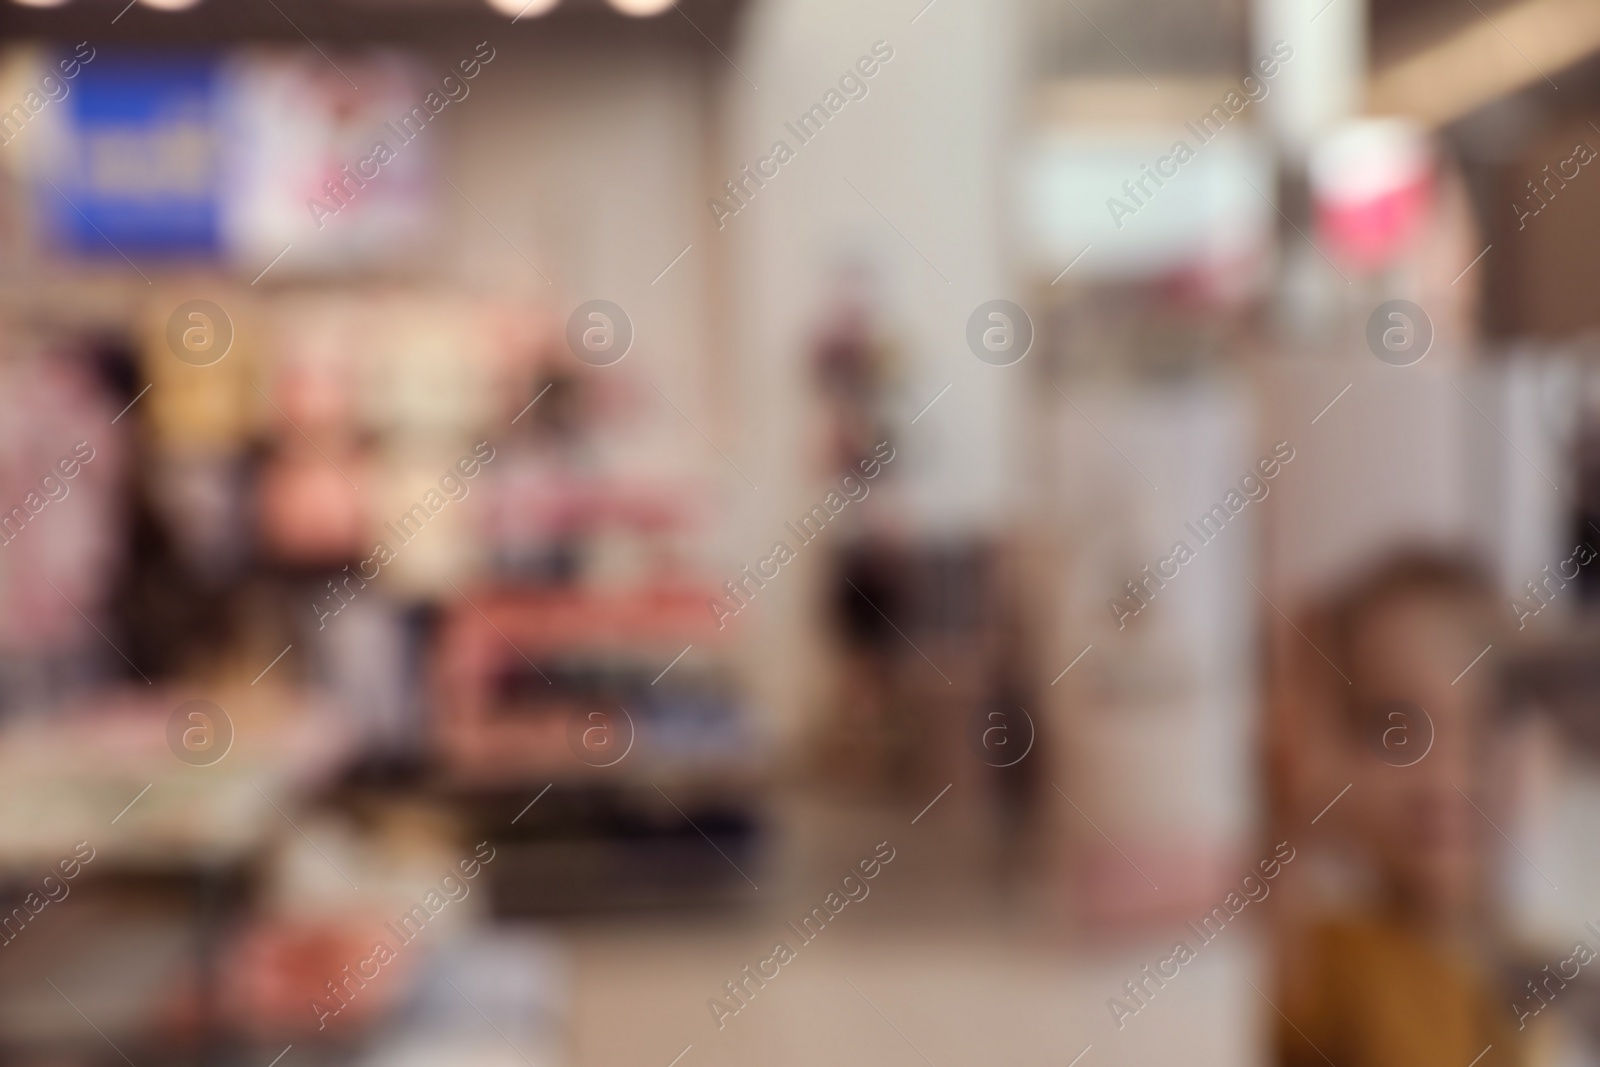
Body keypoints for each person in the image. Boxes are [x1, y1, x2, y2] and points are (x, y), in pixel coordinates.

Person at [1274, 551, 1523, 1067]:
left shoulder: (1527, 960)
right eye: (1394, 733)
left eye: (1482, 728)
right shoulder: (1333, 962)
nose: (1444, 781)